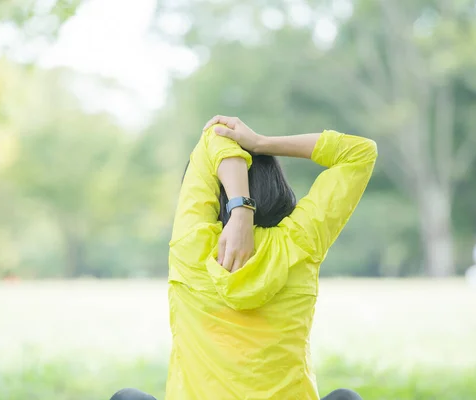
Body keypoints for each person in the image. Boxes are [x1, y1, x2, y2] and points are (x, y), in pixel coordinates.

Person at [111, 116, 377, 400]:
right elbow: (360, 152)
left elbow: (215, 134)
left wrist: (239, 209)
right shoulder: (301, 243)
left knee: (127, 397)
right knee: (345, 398)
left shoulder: (192, 247)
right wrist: (262, 144)